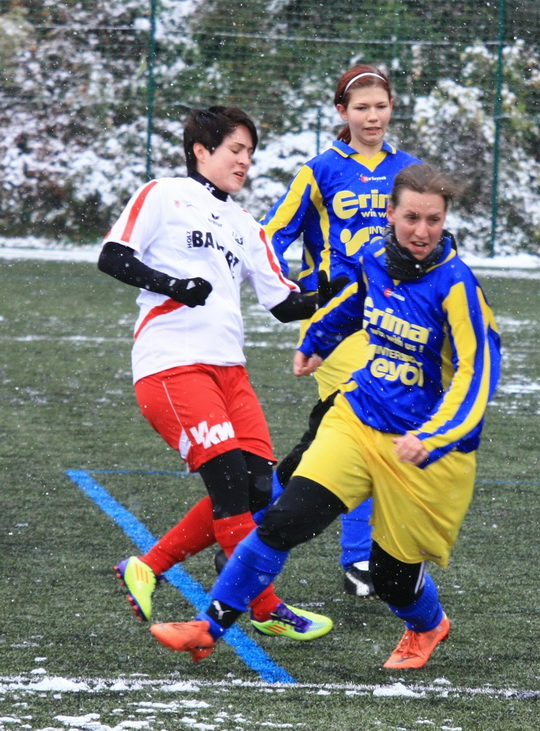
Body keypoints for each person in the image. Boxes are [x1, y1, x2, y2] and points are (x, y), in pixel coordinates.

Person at [150, 163, 501, 670]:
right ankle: (208, 627)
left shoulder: (458, 287)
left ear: (445, 220)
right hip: (357, 420)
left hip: (424, 450)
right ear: (390, 213)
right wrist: (318, 340)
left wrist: (435, 434)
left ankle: (428, 625)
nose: (422, 231)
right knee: (283, 521)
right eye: (411, 218)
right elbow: (356, 301)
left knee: (391, 580)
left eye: (433, 220)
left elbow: (478, 375)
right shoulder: (376, 258)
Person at [99, 106, 339, 642]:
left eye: (250, 153)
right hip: (172, 363)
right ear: (201, 151)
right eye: (235, 150)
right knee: (230, 484)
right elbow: (113, 256)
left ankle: (147, 567)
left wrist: (336, 291)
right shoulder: (163, 194)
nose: (245, 161)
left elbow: (285, 304)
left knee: (257, 490)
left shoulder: (245, 224)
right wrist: (174, 286)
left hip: (231, 371)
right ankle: (264, 606)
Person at [260, 64, 421, 599]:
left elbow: (429, 238)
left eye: (380, 106)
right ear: (342, 112)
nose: (372, 117)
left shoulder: (411, 171)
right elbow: (270, 236)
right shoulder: (320, 171)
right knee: (370, 429)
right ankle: (357, 559)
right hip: (336, 326)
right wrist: (292, 292)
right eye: (361, 108)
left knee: (335, 443)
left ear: (391, 108)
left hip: (394, 324)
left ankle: (251, 516)